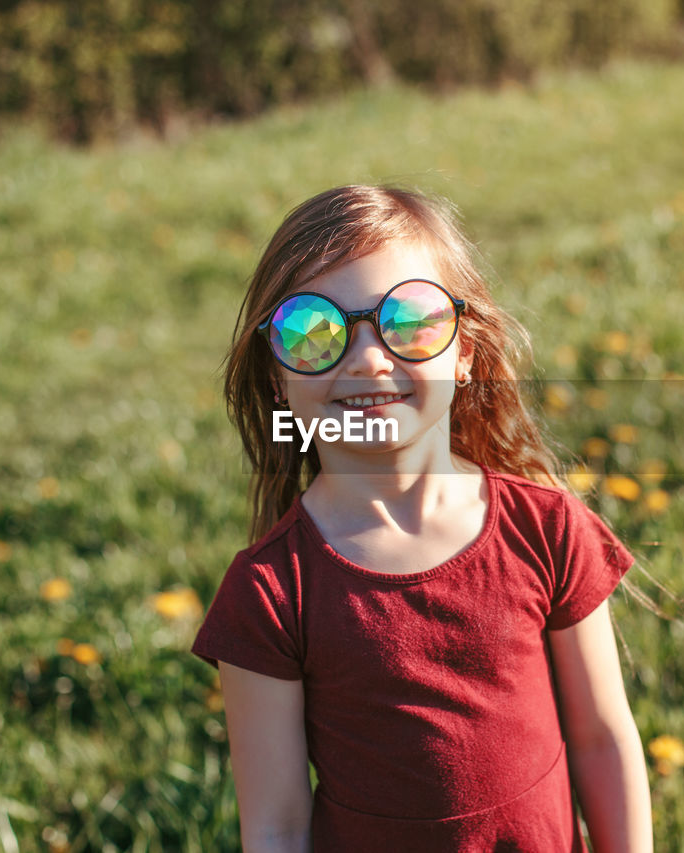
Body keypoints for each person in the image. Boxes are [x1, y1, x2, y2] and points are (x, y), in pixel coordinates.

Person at [192, 184, 653, 852]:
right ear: (276, 377)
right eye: (312, 330)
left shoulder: (548, 528)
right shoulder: (270, 592)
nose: (369, 356)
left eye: (409, 321)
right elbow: (276, 824)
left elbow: (603, 739)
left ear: (464, 353)